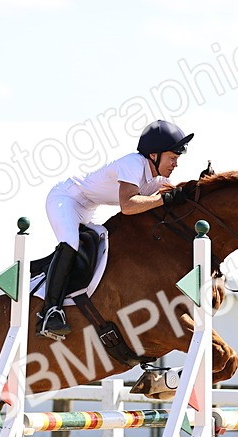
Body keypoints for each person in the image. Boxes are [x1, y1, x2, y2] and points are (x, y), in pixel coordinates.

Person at [38, 119, 195, 340]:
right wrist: (164, 199)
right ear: (154, 155)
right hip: (66, 198)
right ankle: (50, 312)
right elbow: (128, 206)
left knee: (98, 249)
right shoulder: (133, 164)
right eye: (172, 158)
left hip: (88, 207)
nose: (175, 164)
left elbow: (176, 197)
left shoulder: (157, 179)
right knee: (71, 243)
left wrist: (201, 185)